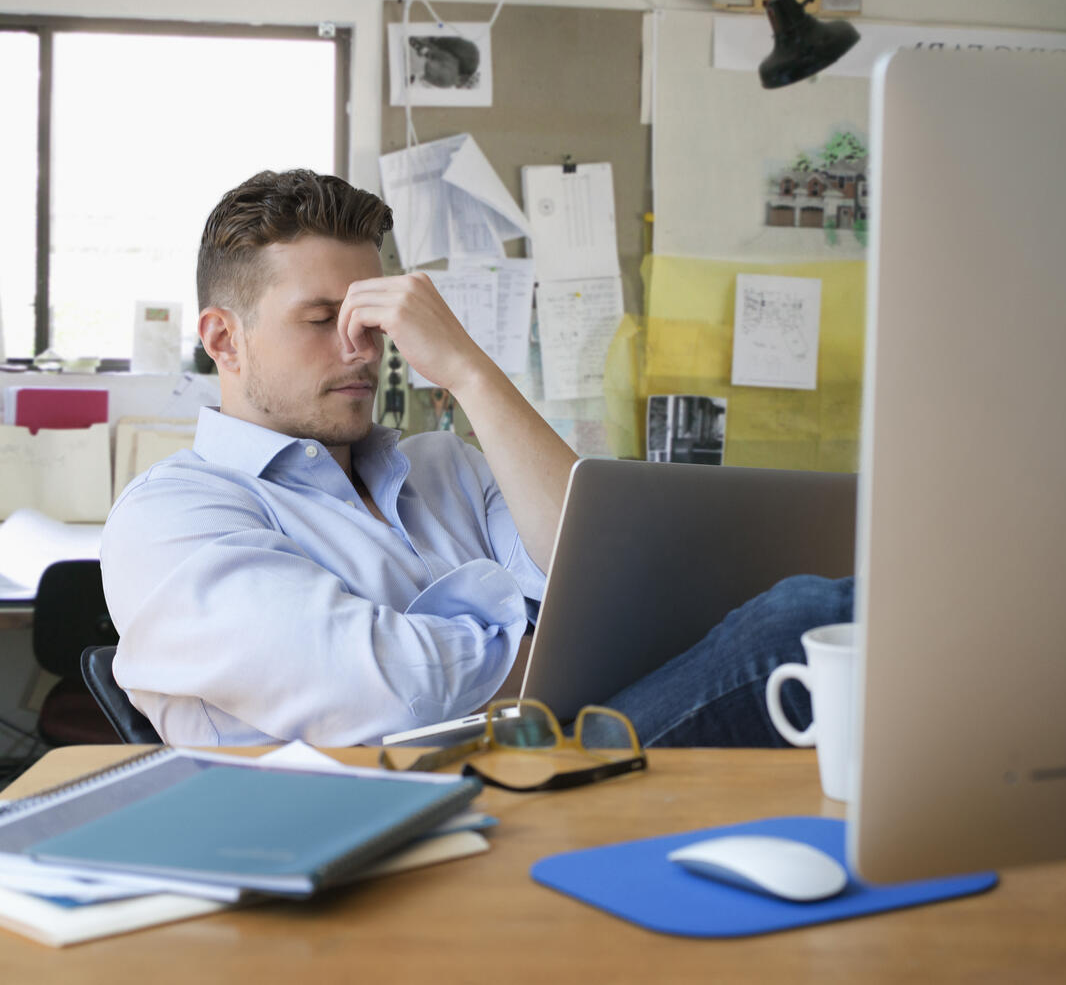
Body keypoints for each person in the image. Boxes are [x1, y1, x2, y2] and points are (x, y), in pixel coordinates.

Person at [100, 169, 852, 747]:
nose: (361, 349)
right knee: (807, 621)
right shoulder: (170, 515)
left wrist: (468, 371)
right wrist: (559, 649)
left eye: (372, 320)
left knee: (832, 610)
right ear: (223, 339)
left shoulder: (446, 464)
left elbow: (606, 582)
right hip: (384, 815)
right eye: (323, 319)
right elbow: (398, 689)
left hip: (546, 761)